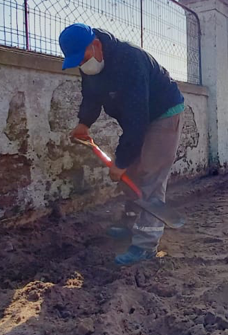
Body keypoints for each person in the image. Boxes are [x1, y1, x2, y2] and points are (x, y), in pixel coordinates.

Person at [60, 23, 185, 266]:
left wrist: (121, 161)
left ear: (95, 45)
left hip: (163, 113)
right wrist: (84, 123)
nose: (81, 65)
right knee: (133, 173)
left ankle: (145, 245)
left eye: (82, 57)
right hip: (138, 116)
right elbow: (91, 96)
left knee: (150, 174)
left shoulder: (130, 61)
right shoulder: (90, 65)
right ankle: (129, 223)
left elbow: (136, 119)